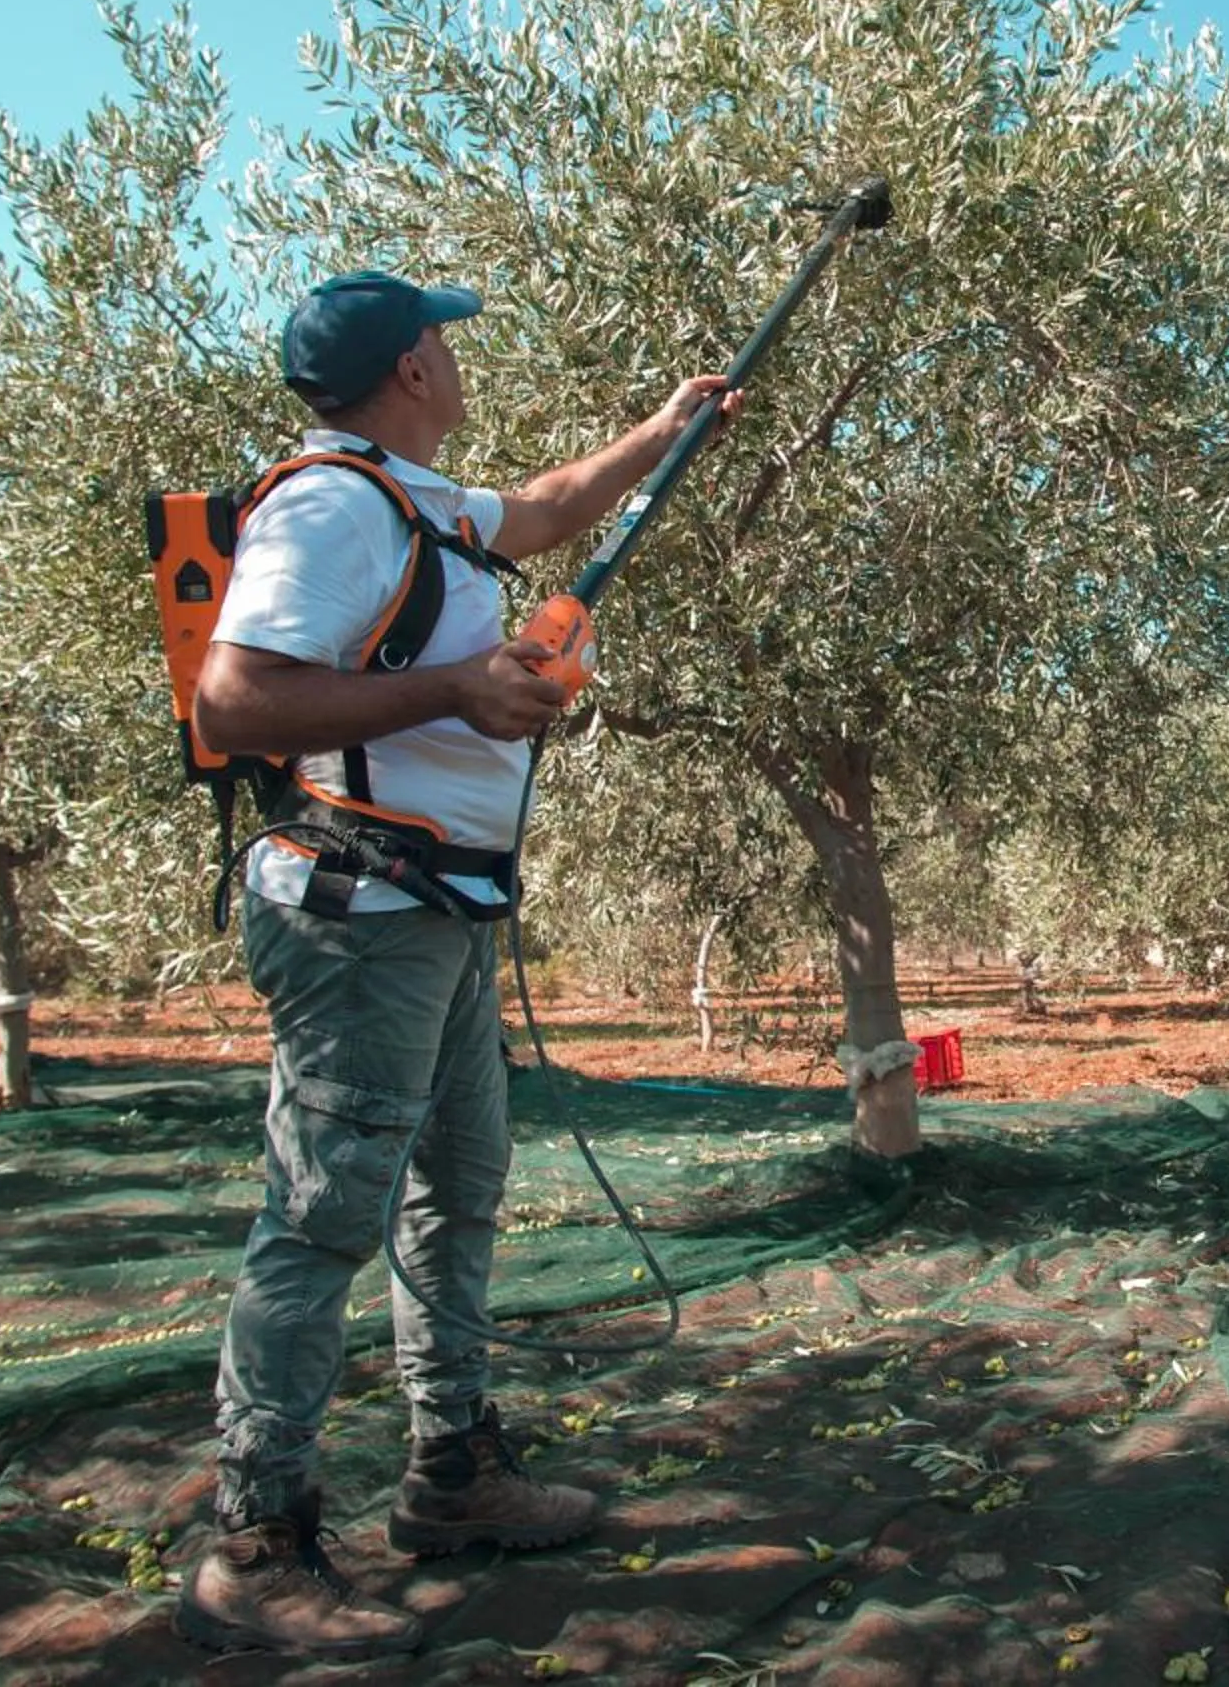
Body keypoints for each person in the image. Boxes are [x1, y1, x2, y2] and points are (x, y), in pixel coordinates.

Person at [174, 270, 738, 1660]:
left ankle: (451, 1474)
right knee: (321, 1220)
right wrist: (456, 688)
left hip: (442, 919)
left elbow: (542, 510)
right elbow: (236, 701)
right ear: (413, 366)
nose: (454, 354)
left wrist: (664, 428)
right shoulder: (328, 506)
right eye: (442, 336)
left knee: (455, 1197)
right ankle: (257, 1536)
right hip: (360, 923)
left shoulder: (417, 499)